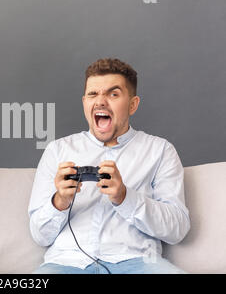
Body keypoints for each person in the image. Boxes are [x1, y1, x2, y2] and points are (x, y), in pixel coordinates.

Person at [28, 58, 190, 274]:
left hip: (138, 263)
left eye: (113, 94)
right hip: (66, 264)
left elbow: (177, 228)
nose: (101, 101)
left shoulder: (160, 151)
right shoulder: (57, 150)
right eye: (93, 94)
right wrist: (60, 201)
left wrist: (124, 197)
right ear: (85, 102)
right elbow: (40, 235)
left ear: (133, 105)